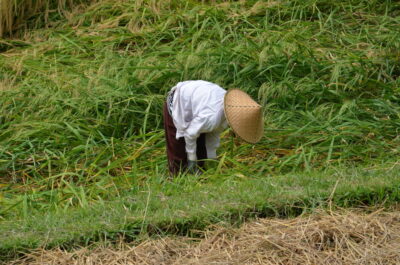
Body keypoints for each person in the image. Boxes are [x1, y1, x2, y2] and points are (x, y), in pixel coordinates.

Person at [163, 80, 263, 176]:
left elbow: (213, 134)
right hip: (178, 101)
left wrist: (212, 159)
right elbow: (190, 133)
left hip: (199, 108)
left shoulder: (227, 109)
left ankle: (200, 182)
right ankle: (178, 184)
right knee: (179, 155)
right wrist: (192, 159)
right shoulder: (211, 117)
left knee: (202, 154)